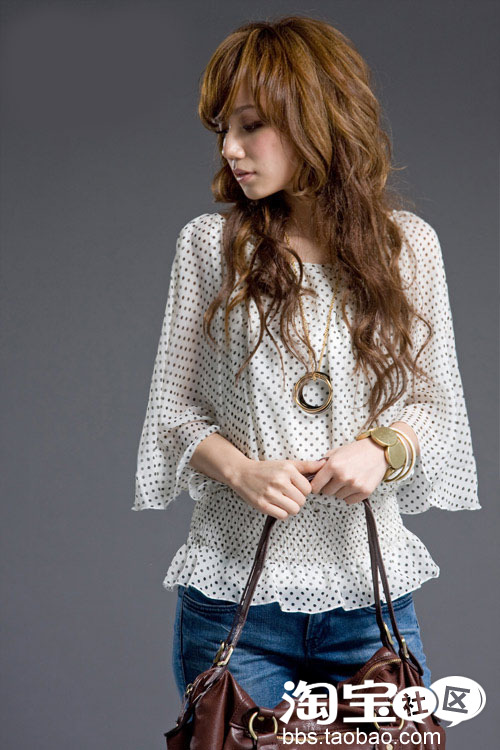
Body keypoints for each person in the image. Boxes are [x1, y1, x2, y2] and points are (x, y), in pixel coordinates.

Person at [132, 16, 480, 709]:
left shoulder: (407, 246)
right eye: (223, 130)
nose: (229, 149)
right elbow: (173, 407)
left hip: (369, 604)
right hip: (235, 602)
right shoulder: (210, 246)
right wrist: (242, 472)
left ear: (315, 122)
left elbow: (436, 405)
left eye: (251, 125)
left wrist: (384, 448)